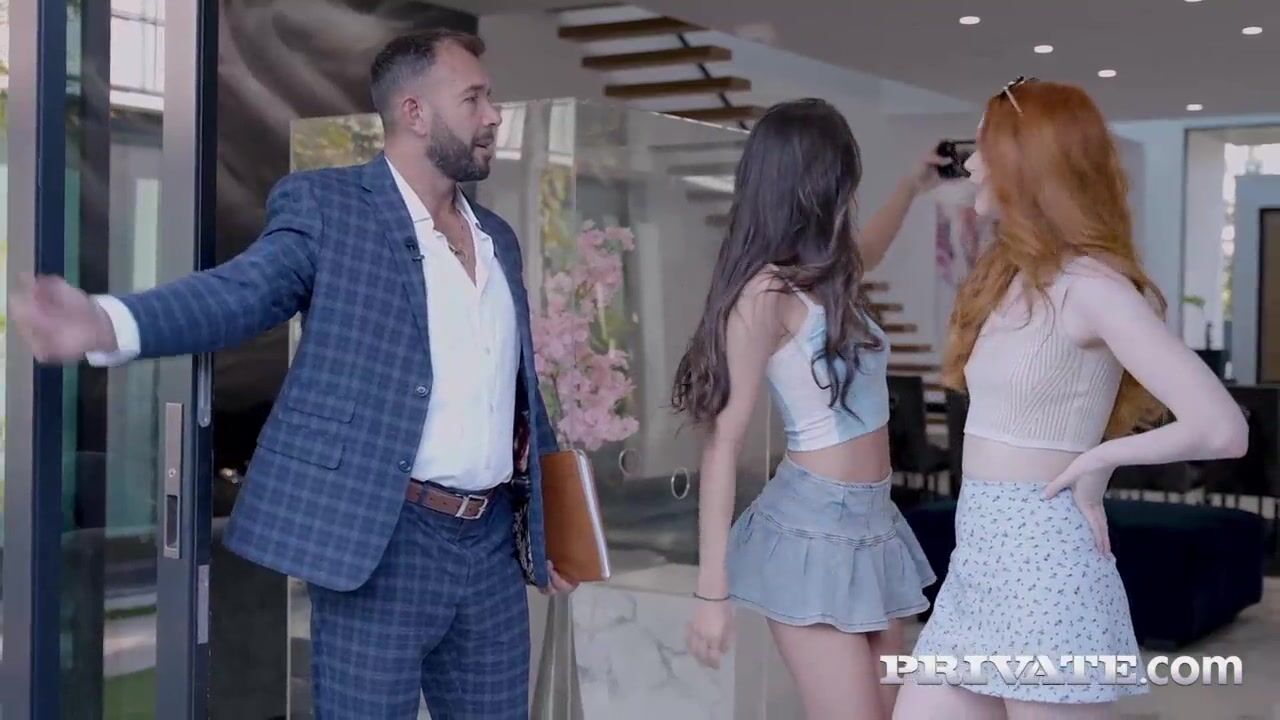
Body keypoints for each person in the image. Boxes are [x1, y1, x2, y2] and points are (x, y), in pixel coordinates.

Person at [11, 30, 577, 719]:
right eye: (474, 98)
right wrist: (109, 323)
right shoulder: (328, 208)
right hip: (383, 542)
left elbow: (520, 398)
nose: (493, 115)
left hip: (489, 549)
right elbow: (242, 293)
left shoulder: (497, 239)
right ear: (415, 112)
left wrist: (556, 524)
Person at [893, 79, 1249, 720]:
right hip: (978, 559)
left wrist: (1099, 459)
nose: (971, 165)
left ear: (1028, 162)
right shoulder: (1005, 277)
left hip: (1047, 567)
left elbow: (1222, 427)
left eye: (983, 148)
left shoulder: (1094, 287)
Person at [671, 98, 943, 720]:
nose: (850, 194)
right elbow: (723, 442)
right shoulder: (764, 293)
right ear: (816, 185)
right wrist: (711, 593)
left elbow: (871, 247)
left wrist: (913, 185)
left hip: (874, 525)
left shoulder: (829, 275)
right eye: (844, 178)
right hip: (811, 531)